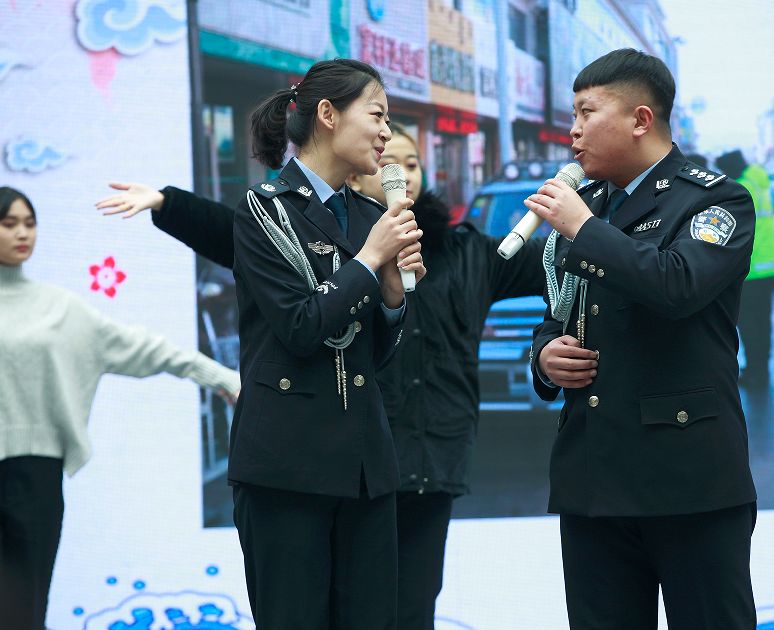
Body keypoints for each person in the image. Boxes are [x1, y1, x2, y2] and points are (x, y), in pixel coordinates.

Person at [97, 123, 546, 630]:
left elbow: (555, 267)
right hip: (356, 459)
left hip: (430, 461)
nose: (401, 174)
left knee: (412, 608)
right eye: (388, 162)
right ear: (355, 180)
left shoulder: (467, 251)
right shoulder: (321, 249)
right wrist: (168, 203)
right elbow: (236, 235)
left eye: (412, 164)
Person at [523, 49, 758, 629]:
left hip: (689, 485)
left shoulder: (714, 199)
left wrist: (583, 228)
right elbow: (561, 308)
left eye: (586, 111)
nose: (572, 131)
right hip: (594, 482)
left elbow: (679, 284)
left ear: (640, 120)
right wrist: (545, 356)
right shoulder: (593, 207)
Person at [236, 58, 425, 629]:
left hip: (366, 465)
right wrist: (370, 260)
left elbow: (373, 355)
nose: (386, 133)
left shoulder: (370, 211)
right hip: (287, 466)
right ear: (326, 115)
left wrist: (393, 297)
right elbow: (299, 327)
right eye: (377, 115)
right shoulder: (264, 209)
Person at [0, 187, 240, 630]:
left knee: (21, 611)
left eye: (29, 223)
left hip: (31, 478)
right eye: (9, 223)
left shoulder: (57, 309)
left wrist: (223, 378)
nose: (22, 233)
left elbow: (147, 348)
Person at [715, 149, 774, 388]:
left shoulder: (739, 189)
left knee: (749, 324)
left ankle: (755, 372)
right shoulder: (758, 179)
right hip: (768, 266)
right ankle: (761, 369)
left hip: (749, 269)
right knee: (763, 324)